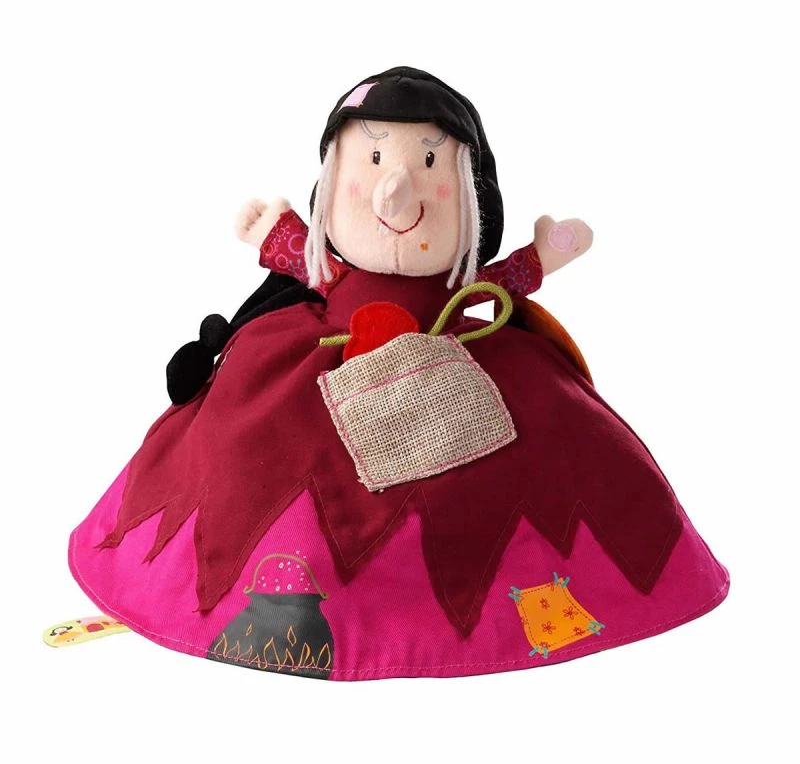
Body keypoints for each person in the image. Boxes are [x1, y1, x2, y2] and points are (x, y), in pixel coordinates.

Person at [69, 67, 728, 679]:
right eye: (375, 159)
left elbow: (503, 281)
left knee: (545, 441)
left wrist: (544, 254)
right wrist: (274, 230)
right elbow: (302, 258)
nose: (395, 187)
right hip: (327, 359)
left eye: (430, 163)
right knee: (252, 445)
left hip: (456, 354)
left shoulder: (466, 292)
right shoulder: (326, 269)